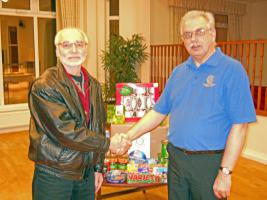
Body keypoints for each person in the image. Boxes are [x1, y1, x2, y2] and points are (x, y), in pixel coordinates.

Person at [114, 10, 256, 200]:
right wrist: (128, 136)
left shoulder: (232, 70)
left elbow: (240, 126)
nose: (194, 39)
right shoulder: (178, 72)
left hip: (209, 163)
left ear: (212, 34)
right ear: (182, 39)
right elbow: (157, 112)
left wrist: (225, 172)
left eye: (199, 32)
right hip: (176, 160)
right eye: (187, 35)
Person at [28, 27, 129, 200]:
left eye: (79, 44)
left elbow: (97, 126)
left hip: (86, 173)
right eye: (66, 45)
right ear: (57, 51)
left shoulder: (94, 85)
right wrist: (108, 144)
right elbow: (66, 132)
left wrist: (97, 168)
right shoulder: (45, 86)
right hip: (55, 173)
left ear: (86, 49)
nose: (74, 50)